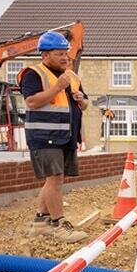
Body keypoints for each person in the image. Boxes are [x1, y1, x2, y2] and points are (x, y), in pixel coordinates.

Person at [20, 31, 89, 243]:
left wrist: (81, 100)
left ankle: (40, 223)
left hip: (66, 136)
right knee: (55, 180)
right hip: (44, 136)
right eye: (60, 54)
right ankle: (58, 225)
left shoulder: (72, 76)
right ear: (45, 55)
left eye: (66, 54)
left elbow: (86, 104)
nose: (65, 58)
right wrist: (58, 87)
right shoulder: (34, 73)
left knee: (55, 179)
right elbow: (31, 102)